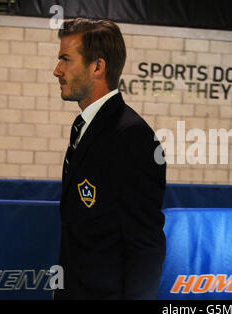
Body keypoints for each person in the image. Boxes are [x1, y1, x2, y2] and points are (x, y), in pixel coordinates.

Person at [53, 18, 166, 299]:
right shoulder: (84, 127)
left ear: (98, 67)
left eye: (66, 59)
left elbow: (145, 248)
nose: (57, 71)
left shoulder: (132, 137)